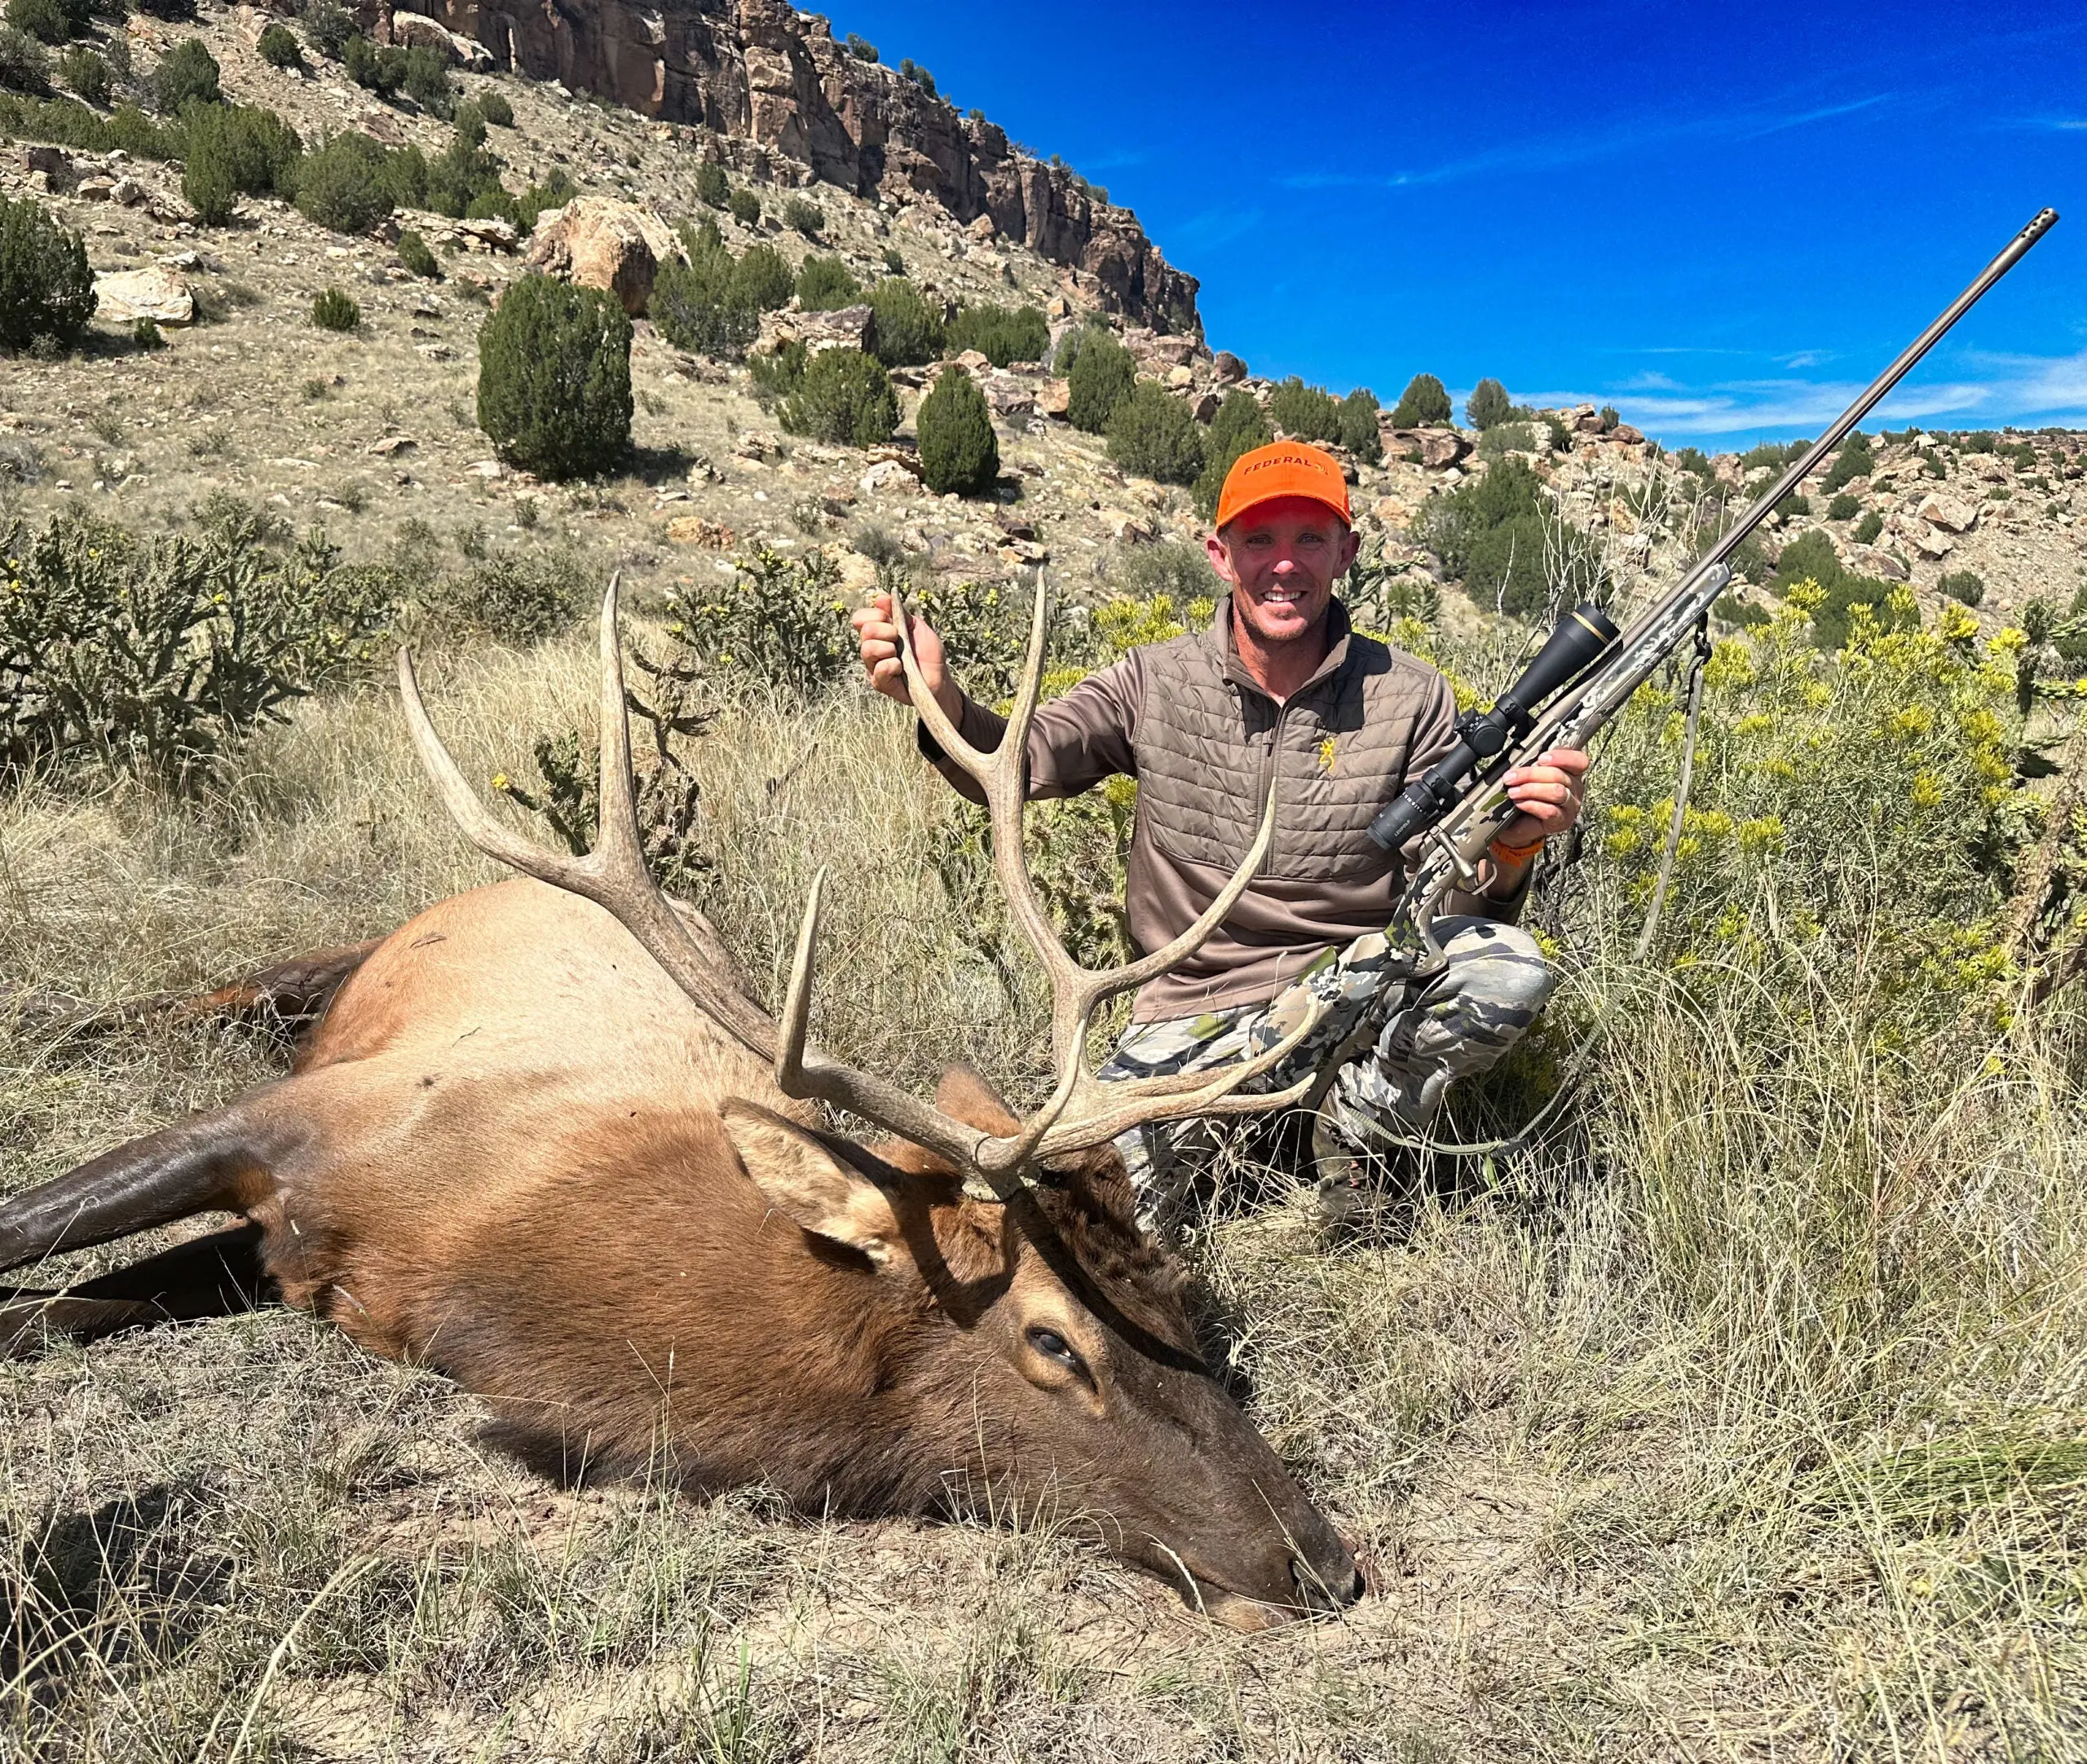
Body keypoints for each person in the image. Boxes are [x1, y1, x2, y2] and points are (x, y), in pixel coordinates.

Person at [850, 439, 1589, 1239]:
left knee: (1505, 969)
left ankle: (1356, 1145)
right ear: (1219, 553)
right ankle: (1239, 1144)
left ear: (1346, 552)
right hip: (1190, 1010)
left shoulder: (1410, 697)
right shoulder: (1151, 680)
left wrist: (1514, 848)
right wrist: (941, 698)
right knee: (1093, 1221)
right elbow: (1024, 759)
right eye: (1259, 540)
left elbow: (1447, 897)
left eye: (1309, 538)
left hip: (1344, 994)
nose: (1284, 564)